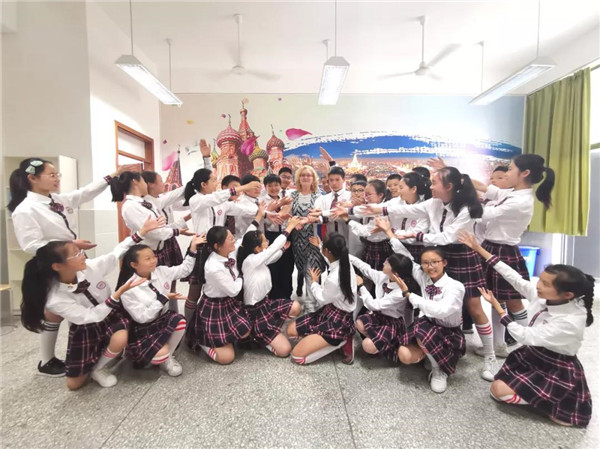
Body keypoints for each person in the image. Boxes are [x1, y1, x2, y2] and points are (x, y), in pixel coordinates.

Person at [363, 167, 496, 381]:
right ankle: (435, 350)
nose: (430, 186)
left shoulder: (467, 208)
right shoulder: (434, 203)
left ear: (449, 186)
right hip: (437, 254)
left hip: (461, 255)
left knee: (474, 307)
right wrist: (372, 209)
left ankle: (490, 356)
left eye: (434, 182)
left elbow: (448, 237)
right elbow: (407, 210)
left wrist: (414, 235)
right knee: (432, 300)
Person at [8, 157, 137, 376]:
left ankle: (83, 352)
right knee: (55, 312)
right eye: (51, 174)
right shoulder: (25, 210)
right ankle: (48, 361)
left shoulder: (56, 199)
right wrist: (70, 244)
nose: (57, 178)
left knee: (75, 305)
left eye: (57, 174)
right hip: (53, 265)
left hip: (71, 260)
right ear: (32, 178)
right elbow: (30, 245)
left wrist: (113, 176)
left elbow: (84, 194)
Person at [459, 231, 593, 427]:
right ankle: (542, 397)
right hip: (533, 356)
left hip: (557, 366)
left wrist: (498, 307)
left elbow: (525, 335)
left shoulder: (570, 322)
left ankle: (554, 403)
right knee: (498, 386)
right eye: (540, 280)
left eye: (545, 284)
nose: (538, 285)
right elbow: (513, 276)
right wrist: (478, 248)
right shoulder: (544, 297)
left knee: (498, 391)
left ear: (567, 295)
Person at [21, 216, 163, 388]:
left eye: (80, 251)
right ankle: (103, 354)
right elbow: (89, 317)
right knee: (74, 384)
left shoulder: (90, 267)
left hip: (111, 316)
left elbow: (116, 253)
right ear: (57, 266)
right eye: (76, 254)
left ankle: (99, 368)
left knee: (120, 338)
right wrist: (117, 295)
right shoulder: (55, 298)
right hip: (86, 326)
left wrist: (141, 232)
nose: (82, 255)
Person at [475, 155, 556, 357]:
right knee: (495, 299)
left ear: (525, 173)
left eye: (510, 169)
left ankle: (530, 345)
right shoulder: (512, 193)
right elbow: (486, 188)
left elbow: (483, 215)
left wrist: (465, 199)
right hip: (492, 247)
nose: (507, 173)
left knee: (513, 301)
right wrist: (458, 176)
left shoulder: (520, 201)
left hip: (503, 251)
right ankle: (499, 344)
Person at [382, 223, 466, 394]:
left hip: (449, 332)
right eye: (426, 263)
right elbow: (405, 256)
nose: (430, 267)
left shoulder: (455, 287)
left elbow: (440, 311)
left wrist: (409, 295)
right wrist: (389, 233)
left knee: (421, 329)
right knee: (404, 354)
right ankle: (431, 355)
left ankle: (439, 369)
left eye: (435, 262)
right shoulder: (423, 277)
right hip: (427, 326)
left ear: (444, 262)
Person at [116, 234, 205, 376]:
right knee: (157, 355)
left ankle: (168, 358)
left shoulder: (161, 271)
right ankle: (155, 355)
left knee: (179, 320)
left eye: (153, 256)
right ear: (134, 264)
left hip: (161, 320)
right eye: (147, 259)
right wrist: (163, 299)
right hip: (142, 329)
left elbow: (184, 270)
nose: (153, 261)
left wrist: (192, 249)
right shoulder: (128, 288)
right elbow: (142, 318)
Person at [181, 167, 261, 322]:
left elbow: (244, 210)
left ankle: (211, 323)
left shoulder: (221, 203)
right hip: (201, 247)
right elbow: (214, 198)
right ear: (203, 184)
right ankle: (189, 328)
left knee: (216, 290)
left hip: (220, 249)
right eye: (213, 180)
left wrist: (266, 212)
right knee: (194, 292)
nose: (216, 182)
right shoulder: (196, 200)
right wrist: (244, 187)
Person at [286, 233, 358, 365]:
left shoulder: (334, 278)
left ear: (328, 251)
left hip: (338, 321)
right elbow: (330, 259)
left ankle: (341, 341)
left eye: (324, 245)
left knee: (297, 357)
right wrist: (320, 246)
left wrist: (314, 282)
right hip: (329, 310)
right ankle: (318, 339)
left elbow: (322, 299)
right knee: (290, 331)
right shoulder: (344, 260)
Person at [237, 216, 303, 356]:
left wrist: (283, 250)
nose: (267, 242)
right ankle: (256, 335)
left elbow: (271, 257)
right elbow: (271, 250)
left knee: (296, 307)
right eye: (265, 241)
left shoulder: (258, 258)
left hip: (266, 303)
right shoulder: (250, 261)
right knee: (285, 350)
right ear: (257, 248)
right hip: (255, 311)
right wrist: (289, 227)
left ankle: (270, 330)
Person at [351, 253, 417, 361]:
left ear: (395, 273)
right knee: (359, 323)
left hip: (392, 322)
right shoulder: (384, 276)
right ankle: (378, 343)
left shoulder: (400, 292)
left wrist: (361, 286)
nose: (383, 263)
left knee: (367, 345)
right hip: (379, 315)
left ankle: (387, 345)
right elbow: (365, 268)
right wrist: (345, 255)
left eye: (387, 263)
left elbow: (374, 305)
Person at [289, 165, 327, 304]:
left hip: (313, 239)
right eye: (302, 175)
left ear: (313, 178)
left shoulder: (320, 196)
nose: (305, 177)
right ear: (298, 178)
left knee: (313, 270)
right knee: (302, 269)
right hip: (297, 240)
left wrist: (310, 220)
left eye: (308, 175)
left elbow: (322, 218)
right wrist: (293, 222)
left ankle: (313, 304)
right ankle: (307, 299)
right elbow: (287, 214)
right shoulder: (292, 195)